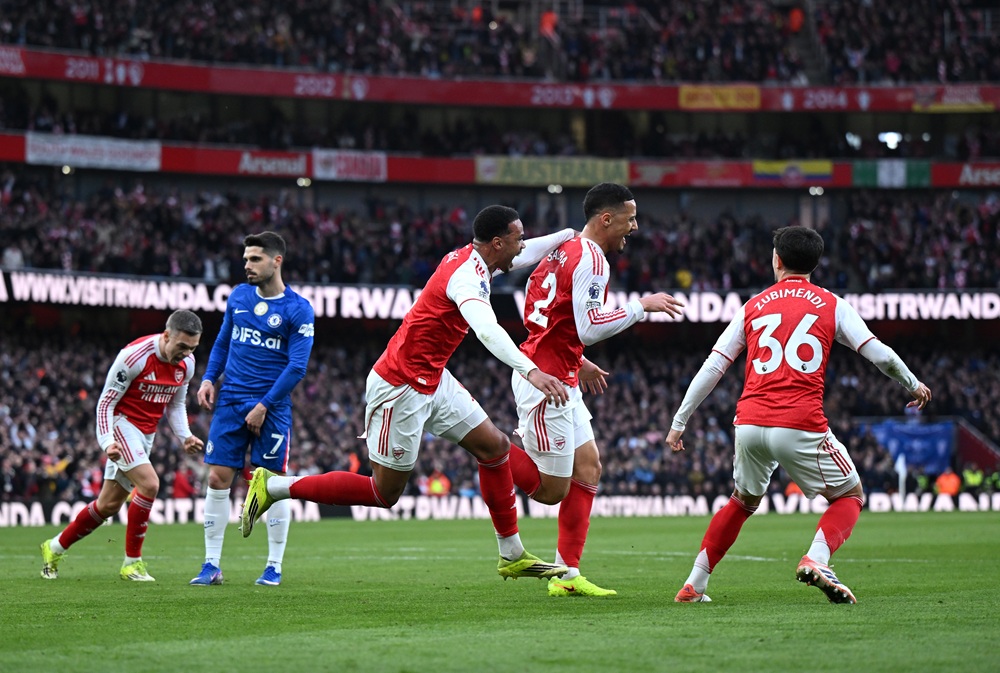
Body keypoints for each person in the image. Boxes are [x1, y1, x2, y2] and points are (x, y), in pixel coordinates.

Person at [240, 205, 576, 581]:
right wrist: (529, 370)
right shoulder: (466, 275)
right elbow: (486, 329)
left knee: (494, 447)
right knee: (384, 493)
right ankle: (274, 485)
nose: (523, 245)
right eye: (518, 238)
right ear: (498, 243)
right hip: (400, 386)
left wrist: (566, 235)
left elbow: (526, 253)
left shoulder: (481, 259)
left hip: (434, 377)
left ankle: (511, 553)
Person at [665, 226, 931, 604]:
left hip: (749, 422)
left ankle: (694, 585)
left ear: (777, 260)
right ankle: (818, 559)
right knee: (850, 496)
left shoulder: (753, 305)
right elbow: (880, 354)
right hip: (798, 421)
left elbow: (713, 367)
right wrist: (913, 383)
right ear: (816, 263)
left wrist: (679, 422)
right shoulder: (832, 304)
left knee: (741, 502)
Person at [508, 182, 684, 597]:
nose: (635, 227)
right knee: (552, 491)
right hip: (544, 382)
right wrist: (643, 306)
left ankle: (568, 576)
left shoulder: (560, 252)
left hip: (559, 372)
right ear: (607, 219)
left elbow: (546, 313)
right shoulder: (592, 258)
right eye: (630, 218)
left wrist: (573, 354)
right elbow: (590, 326)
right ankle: (484, 445)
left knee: (588, 467)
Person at [40, 310, 204, 581]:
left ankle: (54, 547)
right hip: (122, 424)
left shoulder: (187, 365)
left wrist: (185, 435)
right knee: (150, 484)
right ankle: (132, 563)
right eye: (182, 346)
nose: (186, 353)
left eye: (193, 348)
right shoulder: (133, 357)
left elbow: (175, 404)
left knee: (107, 506)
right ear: (166, 336)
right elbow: (105, 403)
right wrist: (107, 441)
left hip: (146, 433)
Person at [190, 231, 315, 587]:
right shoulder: (239, 297)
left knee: (270, 484)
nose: (247, 265)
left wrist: (263, 405)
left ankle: (273, 566)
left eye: (255, 259)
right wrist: (210, 378)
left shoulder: (298, 309)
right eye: (245, 259)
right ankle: (210, 564)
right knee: (216, 478)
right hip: (231, 400)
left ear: (276, 261)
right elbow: (224, 341)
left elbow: (297, 367)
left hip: (271, 407)